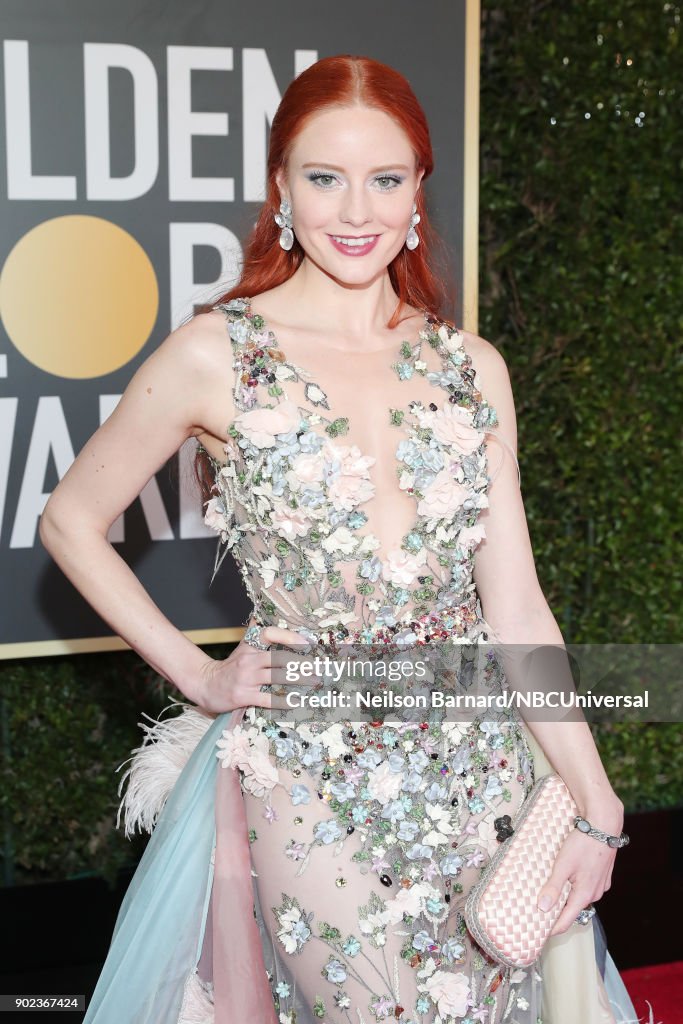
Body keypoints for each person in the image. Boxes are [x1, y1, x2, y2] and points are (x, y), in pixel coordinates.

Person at [39, 55, 642, 1024]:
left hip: (474, 767)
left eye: (385, 178)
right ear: (281, 188)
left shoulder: (468, 368)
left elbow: (515, 602)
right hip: (313, 780)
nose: (354, 209)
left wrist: (593, 802)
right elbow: (70, 520)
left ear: (417, 191)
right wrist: (196, 678)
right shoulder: (216, 354)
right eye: (324, 177)